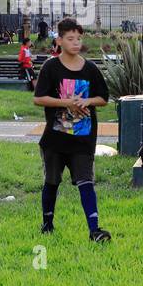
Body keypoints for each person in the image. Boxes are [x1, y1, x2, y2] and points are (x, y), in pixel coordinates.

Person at [32, 18, 112, 242]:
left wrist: (87, 102)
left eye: (79, 38)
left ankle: (94, 229)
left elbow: (103, 98)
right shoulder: (51, 67)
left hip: (83, 138)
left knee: (86, 182)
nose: (76, 43)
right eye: (70, 39)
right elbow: (38, 99)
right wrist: (65, 102)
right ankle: (47, 224)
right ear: (59, 40)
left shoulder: (90, 68)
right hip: (55, 138)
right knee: (52, 181)